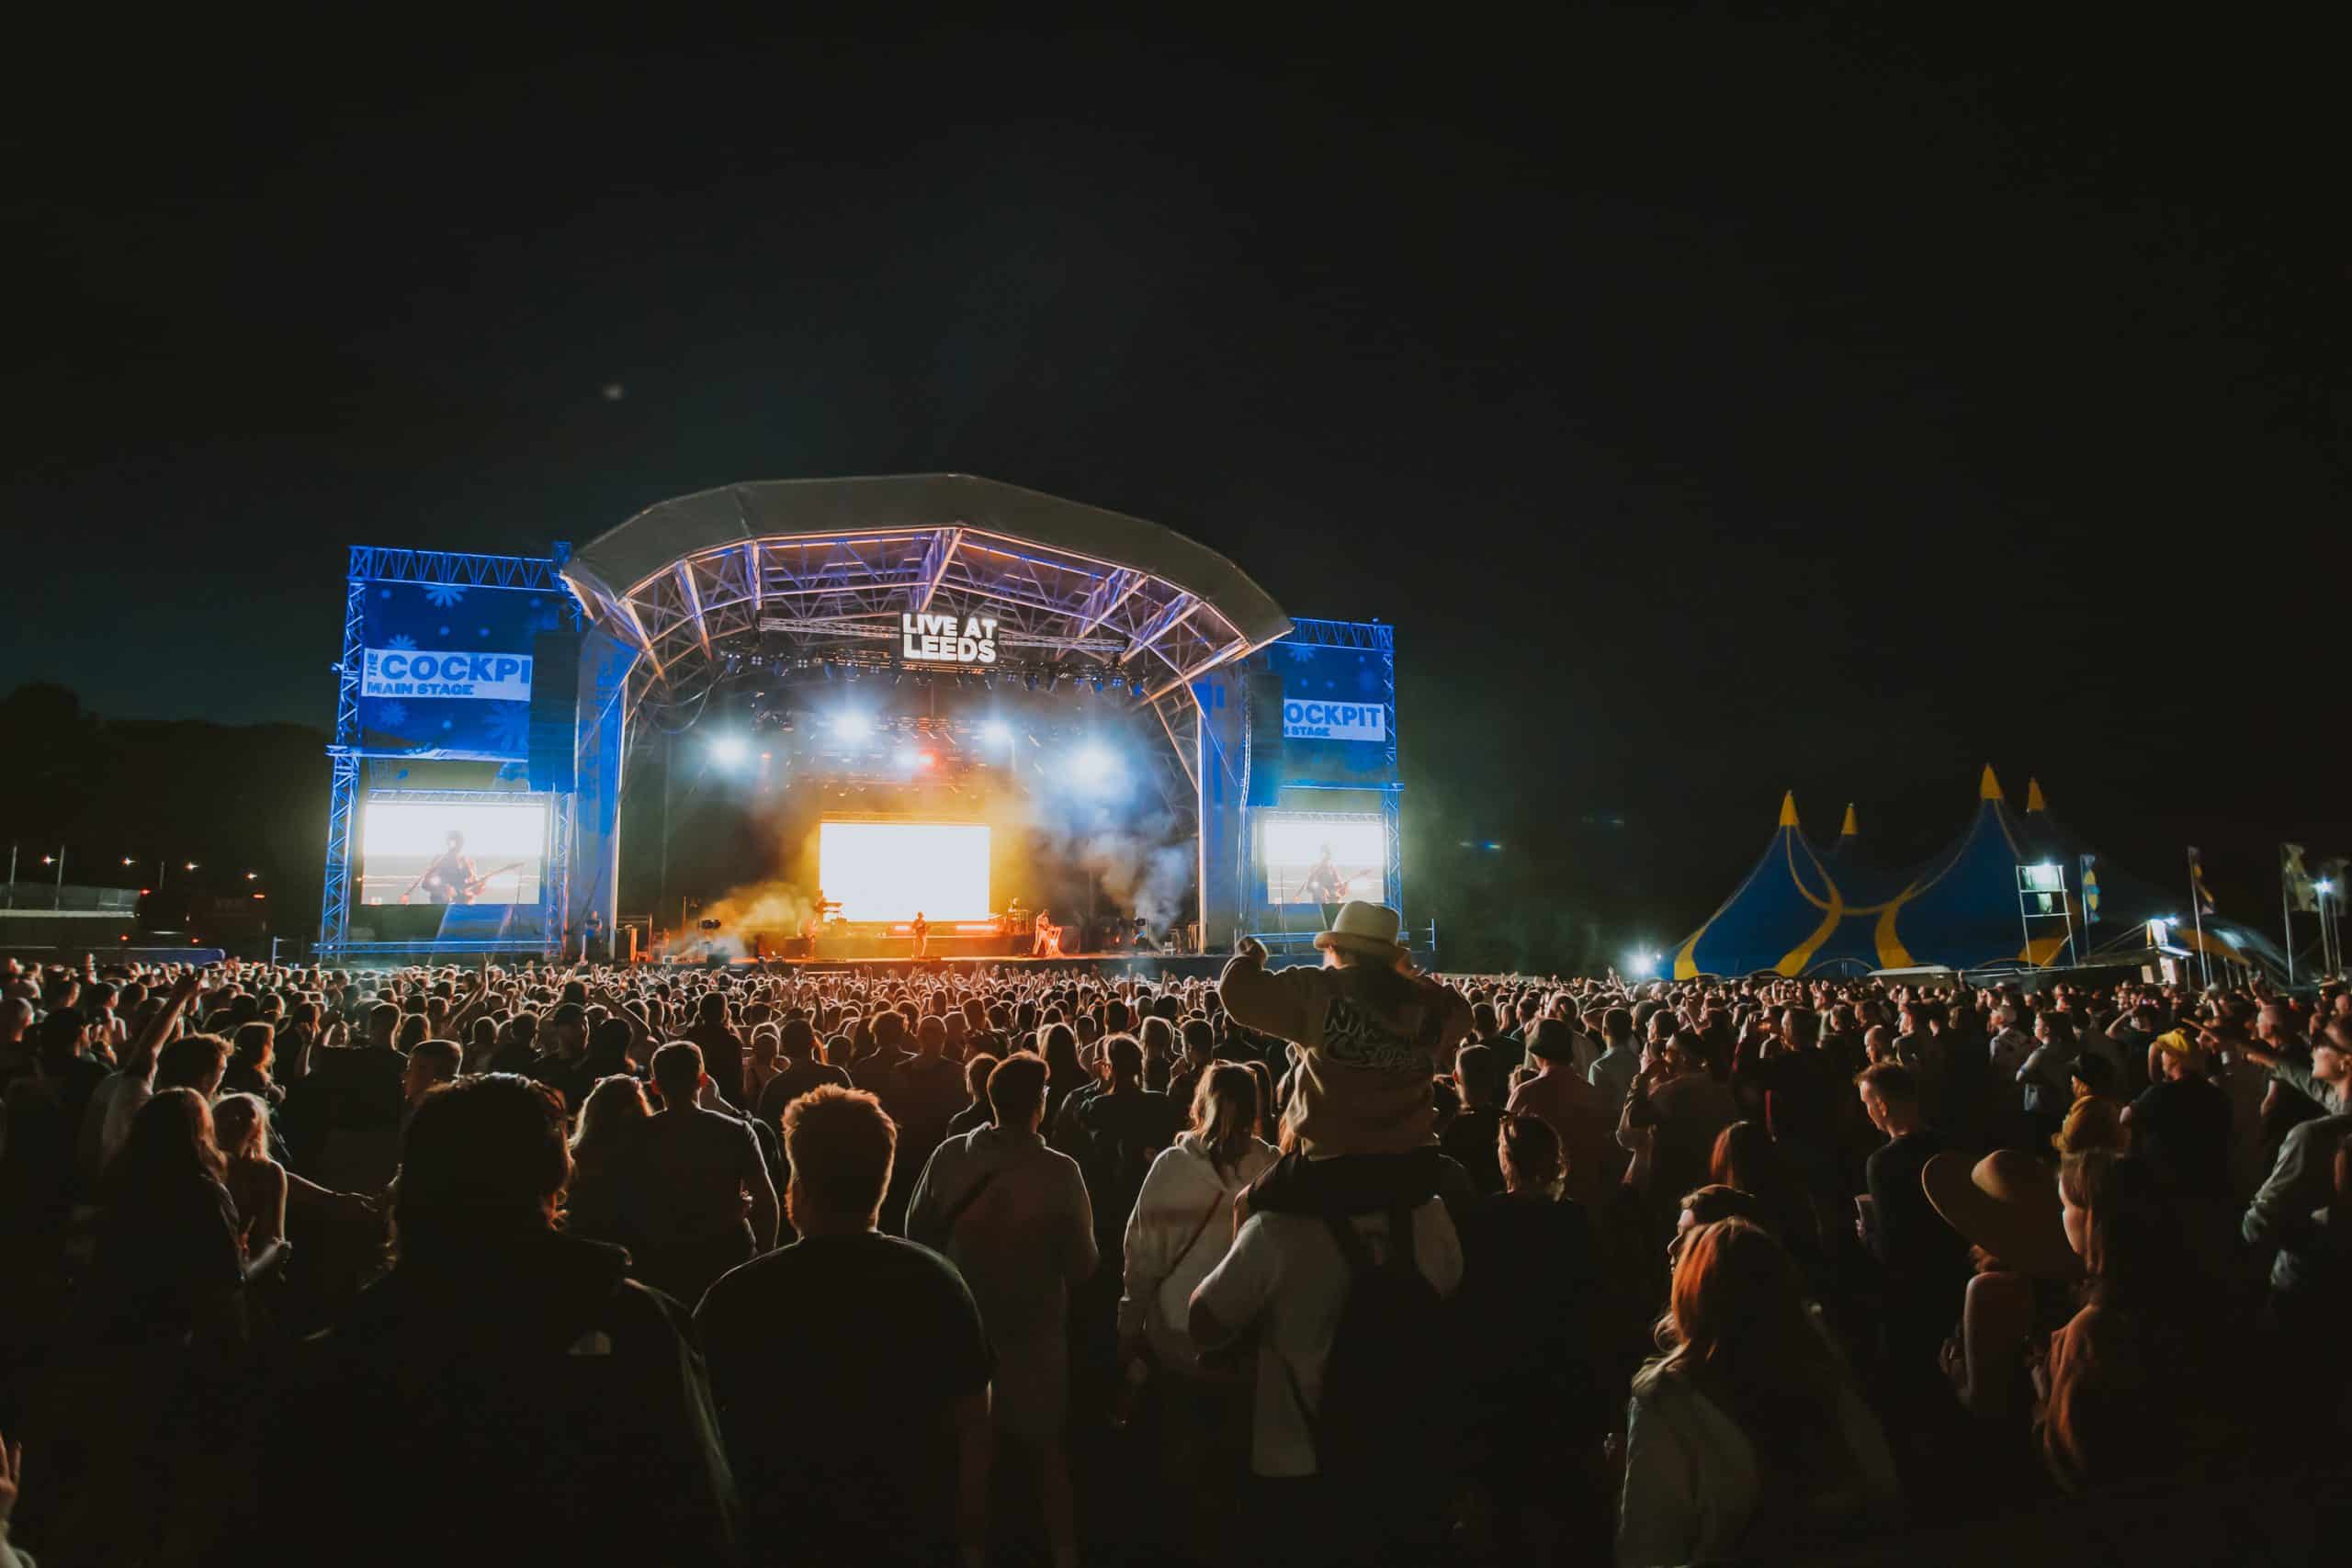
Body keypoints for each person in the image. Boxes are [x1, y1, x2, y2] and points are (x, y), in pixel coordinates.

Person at [251, 1074, 739, 1567]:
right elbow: (699, 1522)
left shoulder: (337, 1357)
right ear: (556, 1177)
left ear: (413, 1181)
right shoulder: (636, 1326)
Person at [698, 1087, 992, 1568]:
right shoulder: (936, 1284)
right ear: (883, 1183)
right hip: (908, 1534)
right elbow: (973, 1425)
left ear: (798, 1188)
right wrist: (971, 1541)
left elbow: (703, 1440)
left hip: (782, 1536)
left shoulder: (737, 1297)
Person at [1188, 1116, 1465, 1568]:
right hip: (1402, 1451)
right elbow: (1450, 1289)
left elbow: (1204, 1322)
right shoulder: (1429, 1215)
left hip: (1296, 1459)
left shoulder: (1275, 1230)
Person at [1616, 1219, 1898, 1566]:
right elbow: (1886, 1499)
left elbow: (1646, 1551)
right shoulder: (1824, 1380)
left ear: (1692, 1295)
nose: (1672, 1246)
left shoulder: (1668, 1403)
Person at [906, 1053, 1095, 1568]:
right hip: (1036, 1333)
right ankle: (1064, 1553)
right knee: (1048, 1454)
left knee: (973, 1454)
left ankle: (972, 1554)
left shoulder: (950, 1157)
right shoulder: (1060, 1173)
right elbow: (1082, 1266)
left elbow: (916, 1233)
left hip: (966, 1327)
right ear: (1040, 1103)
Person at [1116, 1064, 1277, 1563]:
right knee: (1236, 1456)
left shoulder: (1171, 1167)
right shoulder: (1272, 1167)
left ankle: (1182, 1543)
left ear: (1200, 1102)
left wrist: (1128, 1325)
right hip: (1243, 1338)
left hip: (1177, 1335)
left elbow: (1141, 1255)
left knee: (1181, 1454)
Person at [1452, 1112, 1609, 1563]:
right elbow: (1592, 1305)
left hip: (1499, 1380)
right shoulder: (1573, 1220)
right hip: (1561, 1378)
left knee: (1504, 1514)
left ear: (1507, 1161)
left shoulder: (1480, 1219)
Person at [2042, 1151, 2249, 1492]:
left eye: (2066, 1205)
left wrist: (2042, 1399)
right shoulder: (2175, 1291)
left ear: (2094, 1219)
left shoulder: (2093, 1329)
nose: (2060, 1216)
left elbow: (2074, 1464)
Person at [1216, 903, 1470, 1156]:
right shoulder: (1423, 1001)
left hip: (1332, 1160)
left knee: (1260, 1185)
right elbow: (1464, 1016)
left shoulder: (1319, 989)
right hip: (1415, 1156)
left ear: (1335, 948)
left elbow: (1236, 993)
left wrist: (1251, 955)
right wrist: (1416, 981)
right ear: (1389, 957)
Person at [622, 1041, 778, 1309]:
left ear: (656, 1086)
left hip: (664, 1258)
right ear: (703, 1081)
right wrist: (764, 1257)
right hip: (726, 1254)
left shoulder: (637, 1135)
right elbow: (766, 1201)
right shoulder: (736, 1131)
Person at [1507, 1018, 1620, 1212]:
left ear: (1537, 1053)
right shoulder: (1592, 1094)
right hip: (1587, 1199)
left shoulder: (1524, 1095)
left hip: (1538, 1202)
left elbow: (1508, 1148)